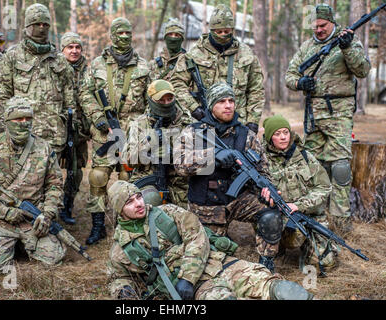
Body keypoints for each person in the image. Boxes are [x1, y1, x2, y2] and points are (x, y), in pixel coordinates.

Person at [106, 180, 313, 300]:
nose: (138, 204)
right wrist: (124, 292)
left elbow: (197, 236)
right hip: (199, 288)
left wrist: (187, 277)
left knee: (279, 288)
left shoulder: (167, 212)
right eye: (129, 202)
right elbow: (117, 278)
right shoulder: (120, 249)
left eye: (138, 197)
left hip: (219, 264)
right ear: (119, 210)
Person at [174, 82, 282, 273]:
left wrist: (268, 188)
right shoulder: (193, 132)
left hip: (238, 200)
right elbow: (180, 165)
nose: (228, 105)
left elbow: (263, 169)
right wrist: (211, 157)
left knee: (271, 215)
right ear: (211, 105)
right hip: (206, 204)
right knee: (212, 257)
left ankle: (266, 263)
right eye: (222, 101)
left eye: (231, 100)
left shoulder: (246, 134)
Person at [285, 4, 371, 233]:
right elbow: (290, 75)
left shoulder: (348, 41)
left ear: (332, 22)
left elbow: (362, 70)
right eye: (315, 26)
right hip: (313, 115)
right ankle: (316, 218)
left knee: (340, 167)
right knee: (314, 167)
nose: (319, 30)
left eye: (323, 25)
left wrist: (347, 48)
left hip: (339, 112)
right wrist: (300, 83)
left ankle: (341, 223)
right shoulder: (307, 47)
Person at [0, 97, 66, 272]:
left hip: (33, 219)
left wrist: (47, 214)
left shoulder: (44, 148)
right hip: (0, 220)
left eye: (28, 119)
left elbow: (55, 184)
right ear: (7, 121)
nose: (24, 123)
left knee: (53, 258)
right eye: (18, 119)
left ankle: (21, 243)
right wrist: (4, 211)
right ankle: (10, 243)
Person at [78, 17, 150, 245]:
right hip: (105, 133)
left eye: (128, 33)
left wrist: (143, 126)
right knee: (98, 177)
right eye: (120, 33)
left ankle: (126, 223)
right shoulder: (97, 65)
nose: (125, 37)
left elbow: (152, 100)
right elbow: (85, 93)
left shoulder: (143, 66)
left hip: (131, 134)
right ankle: (98, 225)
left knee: (129, 177)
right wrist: (98, 118)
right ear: (112, 35)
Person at [0, 3, 75, 158]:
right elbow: (2, 96)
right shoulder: (12, 56)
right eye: (37, 24)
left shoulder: (59, 59)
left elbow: (69, 98)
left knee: (52, 180)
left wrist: (66, 124)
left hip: (54, 135)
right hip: (22, 134)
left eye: (45, 24)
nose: (41, 27)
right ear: (27, 25)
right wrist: (7, 128)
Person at [171, 4, 264, 133]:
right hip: (204, 122)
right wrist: (194, 108)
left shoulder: (246, 54)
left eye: (227, 32)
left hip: (237, 124)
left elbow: (256, 89)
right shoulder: (194, 54)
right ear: (211, 30)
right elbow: (176, 83)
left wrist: (253, 121)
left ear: (232, 30)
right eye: (218, 32)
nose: (223, 35)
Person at [262, 114, 337, 273]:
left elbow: (324, 187)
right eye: (277, 134)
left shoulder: (305, 156)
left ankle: (313, 247)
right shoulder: (262, 160)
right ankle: (276, 248)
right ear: (269, 137)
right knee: (267, 221)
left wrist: (299, 205)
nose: (283, 137)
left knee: (324, 265)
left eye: (285, 132)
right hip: (277, 215)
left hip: (306, 215)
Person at [121, 79, 193, 209]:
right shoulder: (139, 123)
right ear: (151, 100)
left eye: (169, 99)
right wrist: (147, 146)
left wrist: (174, 153)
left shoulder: (187, 123)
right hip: (147, 178)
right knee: (149, 200)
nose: (166, 103)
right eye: (161, 100)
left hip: (181, 182)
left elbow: (200, 161)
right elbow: (128, 159)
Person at [58, 32, 90, 225]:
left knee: (75, 170)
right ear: (62, 49)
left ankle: (67, 204)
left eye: (77, 47)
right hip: (57, 126)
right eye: (70, 47)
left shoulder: (89, 70)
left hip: (79, 130)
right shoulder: (55, 68)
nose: (74, 51)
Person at [148, 18, 186, 82]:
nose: (173, 38)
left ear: (182, 39)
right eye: (170, 34)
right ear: (165, 38)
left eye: (177, 35)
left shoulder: (188, 62)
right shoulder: (153, 64)